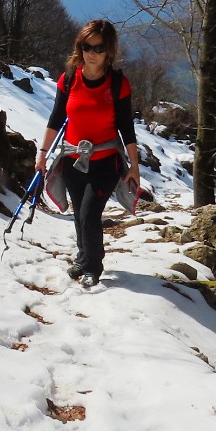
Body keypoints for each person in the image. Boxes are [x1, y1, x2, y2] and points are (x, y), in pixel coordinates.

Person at [36, 19, 139, 287]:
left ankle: (94, 264)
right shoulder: (69, 79)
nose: (92, 52)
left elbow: (127, 128)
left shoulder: (118, 84)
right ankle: (83, 258)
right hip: (72, 160)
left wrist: (134, 165)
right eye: (86, 46)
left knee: (89, 214)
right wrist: (43, 154)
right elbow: (56, 118)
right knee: (80, 212)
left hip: (105, 162)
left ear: (109, 50)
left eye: (99, 47)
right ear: (79, 47)